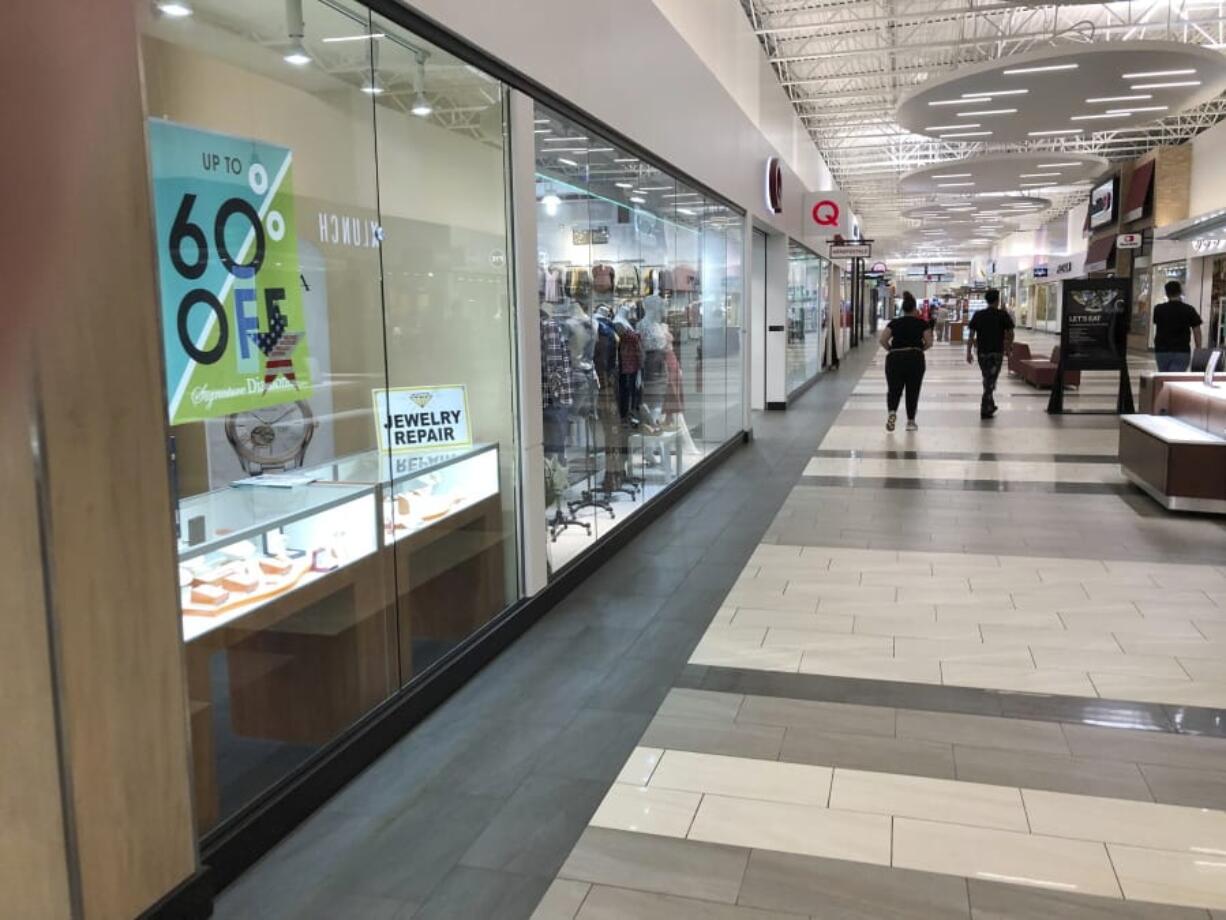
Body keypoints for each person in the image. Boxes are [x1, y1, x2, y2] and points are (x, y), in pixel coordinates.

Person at [879, 292, 932, 431]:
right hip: (915, 358)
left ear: (903, 309)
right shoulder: (922, 323)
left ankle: (892, 412)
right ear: (915, 309)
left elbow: (883, 340)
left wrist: (891, 350)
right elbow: (929, 342)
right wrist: (919, 349)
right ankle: (910, 421)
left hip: (895, 358)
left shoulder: (894, 323)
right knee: (913, 390)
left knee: (894, 389)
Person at [966, 288, 1014, 420]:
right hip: (996, 353)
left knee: (987, 378)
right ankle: (984, 408)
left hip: (982, 353)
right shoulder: (1002, 315)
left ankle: (990, 406)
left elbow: (971, 335)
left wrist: (968, 352)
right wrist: (1009, 347)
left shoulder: (978, 315)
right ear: (997, 300)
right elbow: (1011, 333)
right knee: (990, 380)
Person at [1152, 280, 1203, 372]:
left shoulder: (1158, 309)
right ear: (1180, 292)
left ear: (1166, 293)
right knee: (1175, 379)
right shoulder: (1189, 309)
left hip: (1162, 350)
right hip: (1182, 351)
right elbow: (1197, 331)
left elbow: (1157, 324)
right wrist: (1198, 348)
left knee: (1164, 377)